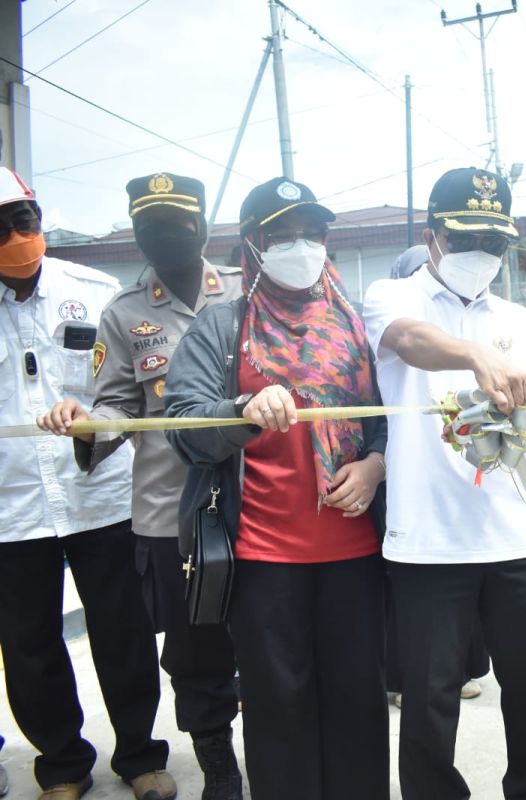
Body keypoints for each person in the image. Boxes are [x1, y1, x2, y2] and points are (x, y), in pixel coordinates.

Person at [164, 177, 389, 800]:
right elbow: (181, 427)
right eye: (283, 235)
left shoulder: (354, 326)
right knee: (276, 709)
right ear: (253, 248)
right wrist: (241, 407)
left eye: (312, 234)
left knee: (359, 707)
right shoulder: (222, 325)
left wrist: (374, 467)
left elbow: (390, 422)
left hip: (354, 554)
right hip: (264, 558)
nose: (302, 246)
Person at [37, 172, 244, 798]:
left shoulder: (244, 292)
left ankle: (277, 751)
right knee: (196, 656)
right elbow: (117, 411)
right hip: (172, 515)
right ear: (136, 232)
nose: (165, 237)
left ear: (204, 226)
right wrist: (83, 423)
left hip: (258, 503)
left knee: (268, 640)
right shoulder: (124, 314)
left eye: (178, 224)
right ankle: (219, 771)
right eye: (151, 226)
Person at [363, 167, 526, 799]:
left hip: (515, 535)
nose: (482, 255)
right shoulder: (393, 298)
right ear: (432, 234)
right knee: (429, 696)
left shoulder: (518, 319)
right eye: (467, 238)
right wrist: (476, 356)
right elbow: (411, 343)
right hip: (428, 540)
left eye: (496, 243)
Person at [0, 167, 175, 800]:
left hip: (100, 493)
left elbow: (130, 391)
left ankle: (140, 755)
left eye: (24, 218)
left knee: (122, 632)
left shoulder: (95, 292)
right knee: (28, 645)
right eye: (1, 225)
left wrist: (92, 419)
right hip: (11, 507)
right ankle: (62, 764)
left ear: (39, 216)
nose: (17, 234)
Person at [383, 239, 490, 709]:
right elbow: (408, 343)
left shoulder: (508, 318)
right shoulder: (391, 303)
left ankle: (466, 666)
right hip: (413, 502)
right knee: (421, 640)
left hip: (483, 500)